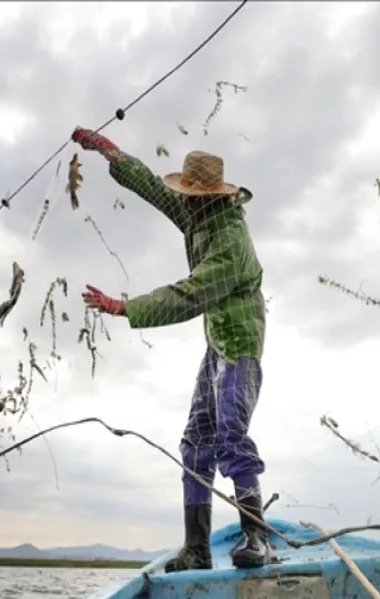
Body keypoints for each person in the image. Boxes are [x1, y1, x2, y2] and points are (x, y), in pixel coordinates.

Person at [70, 126, 271, 571]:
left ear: (209, 198)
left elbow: (190, 295)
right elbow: (149, 187)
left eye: (187, 195)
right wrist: (109, 152)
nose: (179, 200)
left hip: (240, 342)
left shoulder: (230, 242)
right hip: (216, 343)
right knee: (196, 439)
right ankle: (196, 549)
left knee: (230, 433)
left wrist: (125, 307)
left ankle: (257, 537)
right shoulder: (195, 214)